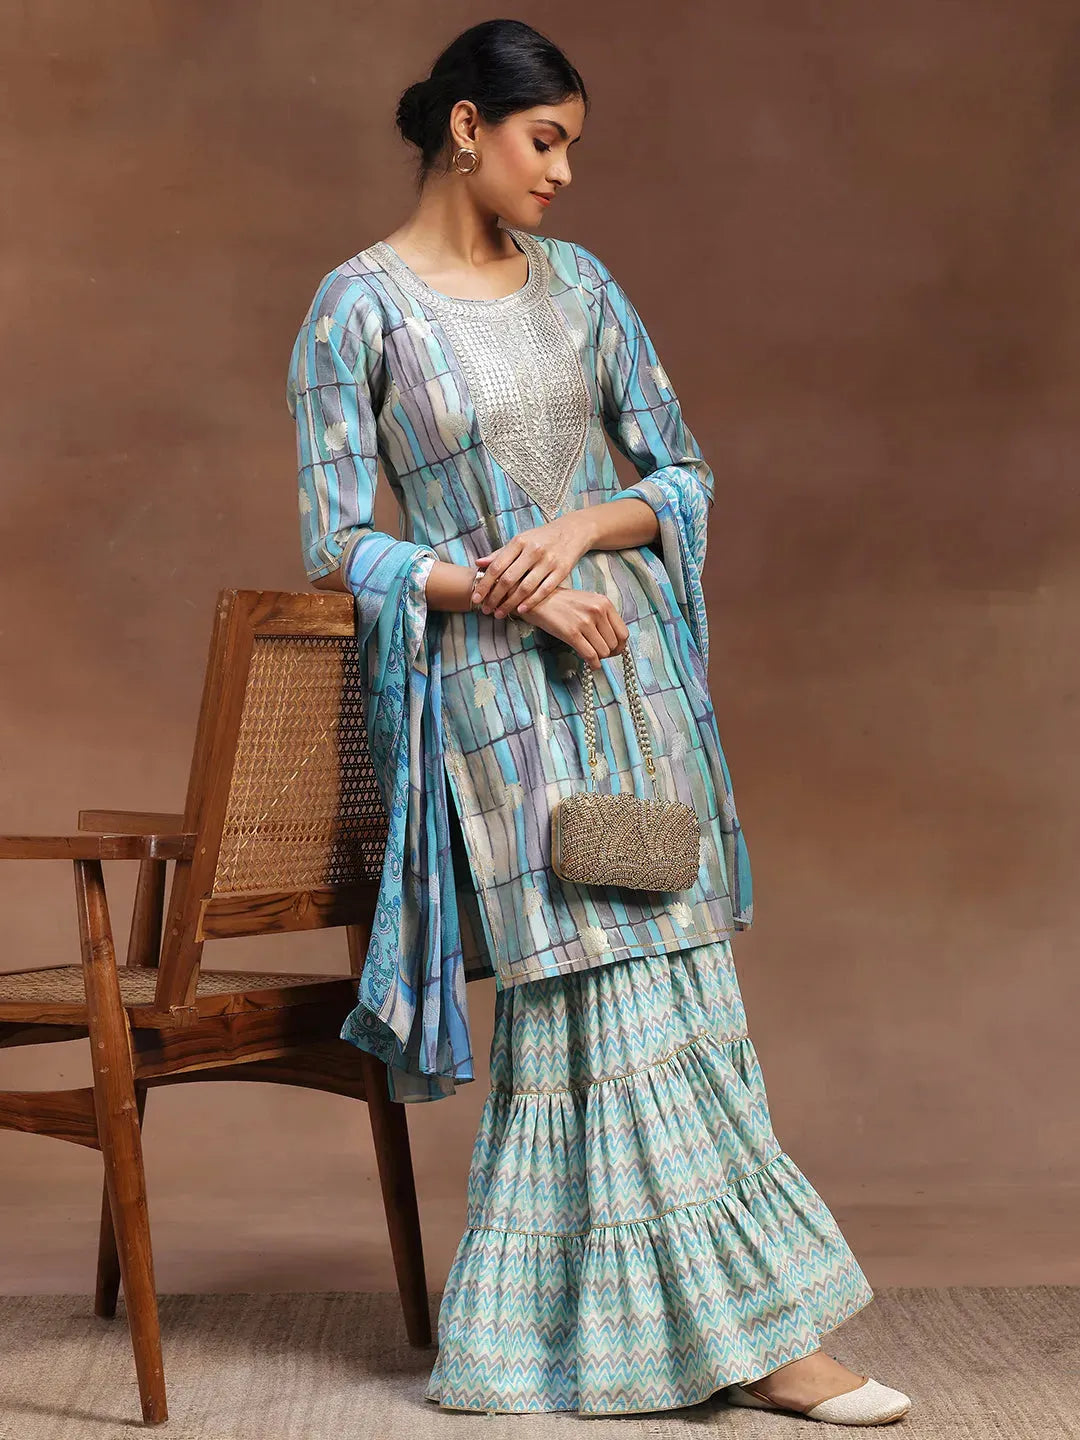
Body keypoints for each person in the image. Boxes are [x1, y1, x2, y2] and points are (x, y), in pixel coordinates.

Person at [287, 17, 912, 1425]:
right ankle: (767, 1346)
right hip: (500, 709)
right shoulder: (357, 308)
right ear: (467, 127)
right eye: (544, 139)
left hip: (634, 685)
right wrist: (503, 591)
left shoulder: (584, 287)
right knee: (591, 994)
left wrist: (577, 529)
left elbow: (681, 476)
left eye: (570, 145)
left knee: (679, 985)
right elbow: (337, 544)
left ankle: (622, 1342)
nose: (563, 172)